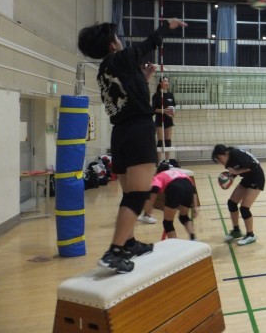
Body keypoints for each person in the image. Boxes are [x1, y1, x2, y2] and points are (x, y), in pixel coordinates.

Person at [78, 17, 187, 273]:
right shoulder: (121, 58)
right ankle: (114, 252)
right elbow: (150, 43)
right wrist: (166, 27)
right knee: (138, 195)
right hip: (138, 130)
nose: (121, 41)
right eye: (117, 38)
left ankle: (128, 243)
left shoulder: (104, 70)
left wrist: (144, 79)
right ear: (112, 44)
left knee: (130, 194)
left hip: (120, 133)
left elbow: (128, 95)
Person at [212, 144, 265, 246]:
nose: (219, 161)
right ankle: (236, 231)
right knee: (231, 203)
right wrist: (230, 178)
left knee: (244, 208)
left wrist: (237, 171)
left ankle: (250, 235)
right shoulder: (228, 161)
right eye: (217, 160)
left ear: (225, 153)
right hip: (247, 178)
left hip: (257, 178)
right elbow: (235, 170)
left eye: (219, 158)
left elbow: (255, 165)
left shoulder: (236, 154)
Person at [140, 162, 199, 240]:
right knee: (184, 217)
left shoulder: (159, 175)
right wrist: (195, 207)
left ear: (158, 172)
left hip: (175, 189)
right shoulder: (179, 173)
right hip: (188, 188)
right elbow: (193, 190)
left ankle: (175, 243)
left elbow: (154, 190)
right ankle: (193, 237)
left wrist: (149, 208)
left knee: (168, 223)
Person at [152, 77, 177, 162]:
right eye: (165, 81)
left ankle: (167, 161)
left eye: (167, 81)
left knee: (168, 141)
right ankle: (158, 162)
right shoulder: (156, 95)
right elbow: (153, 109)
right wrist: (164, 111)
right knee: (160, 142)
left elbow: (174, 108)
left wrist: (173, 113)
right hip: (160, 120)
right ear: (160, 83)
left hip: (169, 120)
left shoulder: (170, 95)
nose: (167, 83)